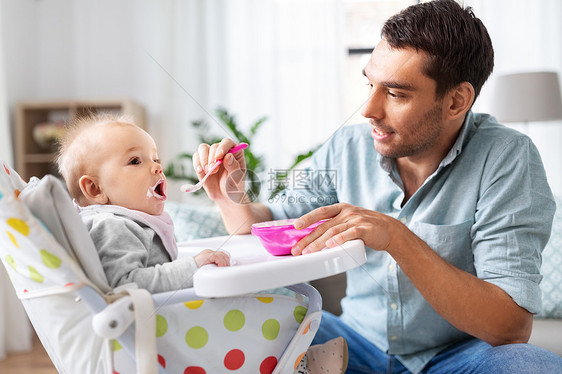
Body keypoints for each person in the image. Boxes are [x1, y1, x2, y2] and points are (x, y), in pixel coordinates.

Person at [193, 0, 562, 373]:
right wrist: (229, 193)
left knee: (531, 365)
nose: (368, 109)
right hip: (354, 343)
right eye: (370, 84)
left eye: (396, 94)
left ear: (457, 100)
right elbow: (267, 223)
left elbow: (511, 326)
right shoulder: (347, 147)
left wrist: (396, 237)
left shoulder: (507, 157)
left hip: (456, 356)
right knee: (247, 325)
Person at [56, 114, 230, 293]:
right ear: (95, 189)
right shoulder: (113, 225)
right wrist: (193, 267)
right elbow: (124, 285)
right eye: (135, 161)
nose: (157, 167)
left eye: (155, 159)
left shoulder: (131, 224)